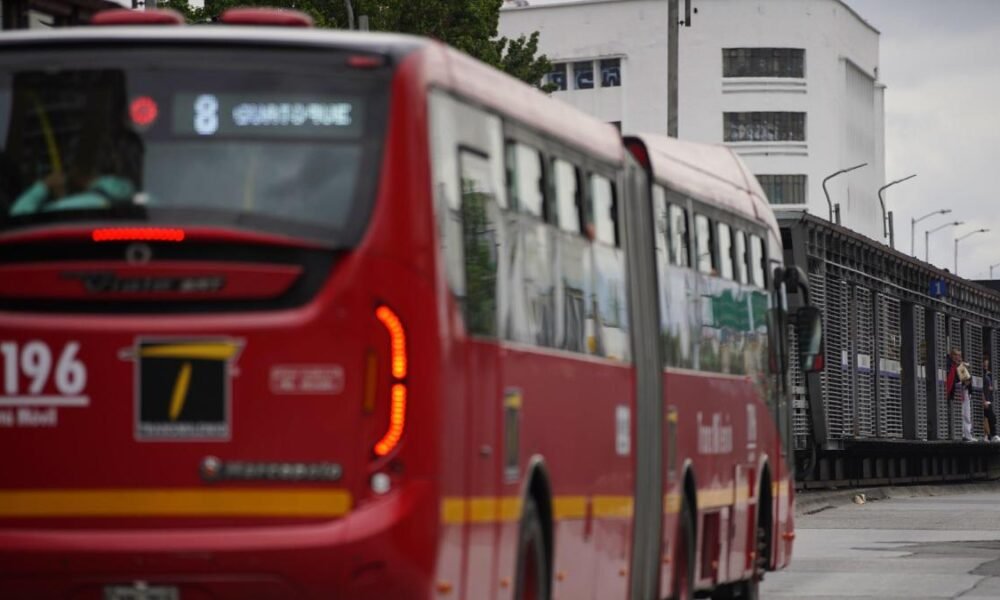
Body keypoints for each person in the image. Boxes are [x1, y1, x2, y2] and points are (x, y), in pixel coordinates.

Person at [946, 348, 975, 442]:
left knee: (966, 414)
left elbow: (967, 380)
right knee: (959, 414)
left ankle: (967, 434)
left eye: (960, 355)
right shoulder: (949, 364)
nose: (959, 357)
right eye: (957, 355)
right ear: (952, 355)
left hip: (963, 392)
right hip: (955, 393)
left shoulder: (960, 365)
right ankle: (959, 434)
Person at [985, 354, 998, 442]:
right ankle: (991, 435)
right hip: (984, 399)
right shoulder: (982, 375)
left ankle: (990, 435)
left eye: (987, 365)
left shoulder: (988, 374)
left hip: (988, 398)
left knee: (990, 417)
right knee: (990, 416)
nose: (985, 366)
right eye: (984, 364)